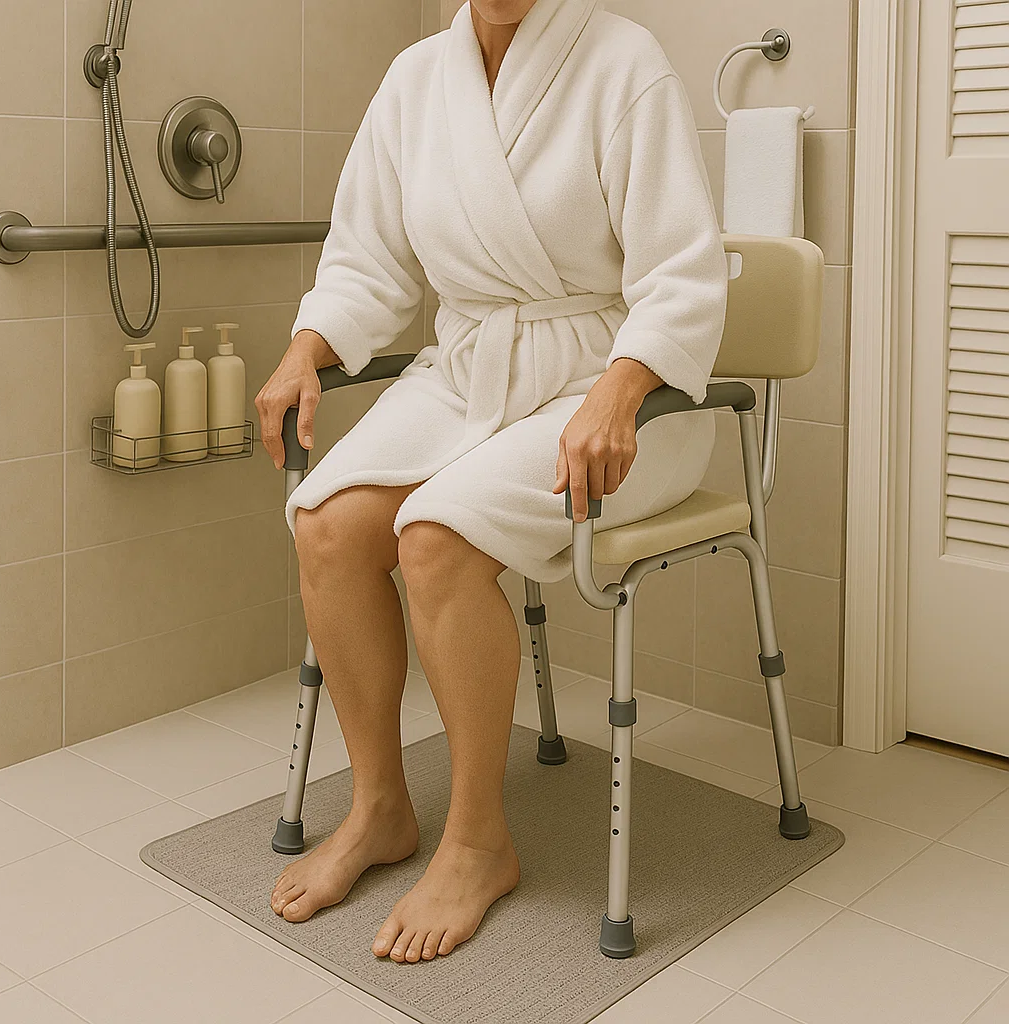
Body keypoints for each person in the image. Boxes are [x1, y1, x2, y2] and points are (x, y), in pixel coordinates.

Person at [255, 0, 727, 964]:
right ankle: (382, 806)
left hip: (615, 392)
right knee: (328, 526)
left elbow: (681, 274)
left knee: (434, 539)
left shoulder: (623, 63)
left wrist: (622, 388)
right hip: (473, 368)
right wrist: (308, 347)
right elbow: (368, 259)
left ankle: (477, 840)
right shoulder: (416, 83)